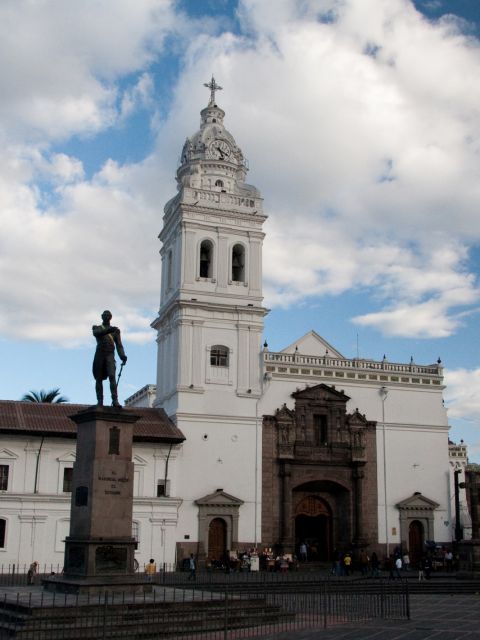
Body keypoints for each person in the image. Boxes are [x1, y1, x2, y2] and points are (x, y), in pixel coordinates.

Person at [92, 310, 127, 407]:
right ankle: (100, 401)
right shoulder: (97, 328)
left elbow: (119, 345)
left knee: (112, 377)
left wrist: (122, 356)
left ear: (111, 317)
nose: (107, 316)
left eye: (108, 315)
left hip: (110, 355)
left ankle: (115, 400)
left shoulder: (115, 331)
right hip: (100, 355)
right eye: (105, 315)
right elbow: (97, 333)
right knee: (98, 378)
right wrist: (109, 330)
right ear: (102, 316)